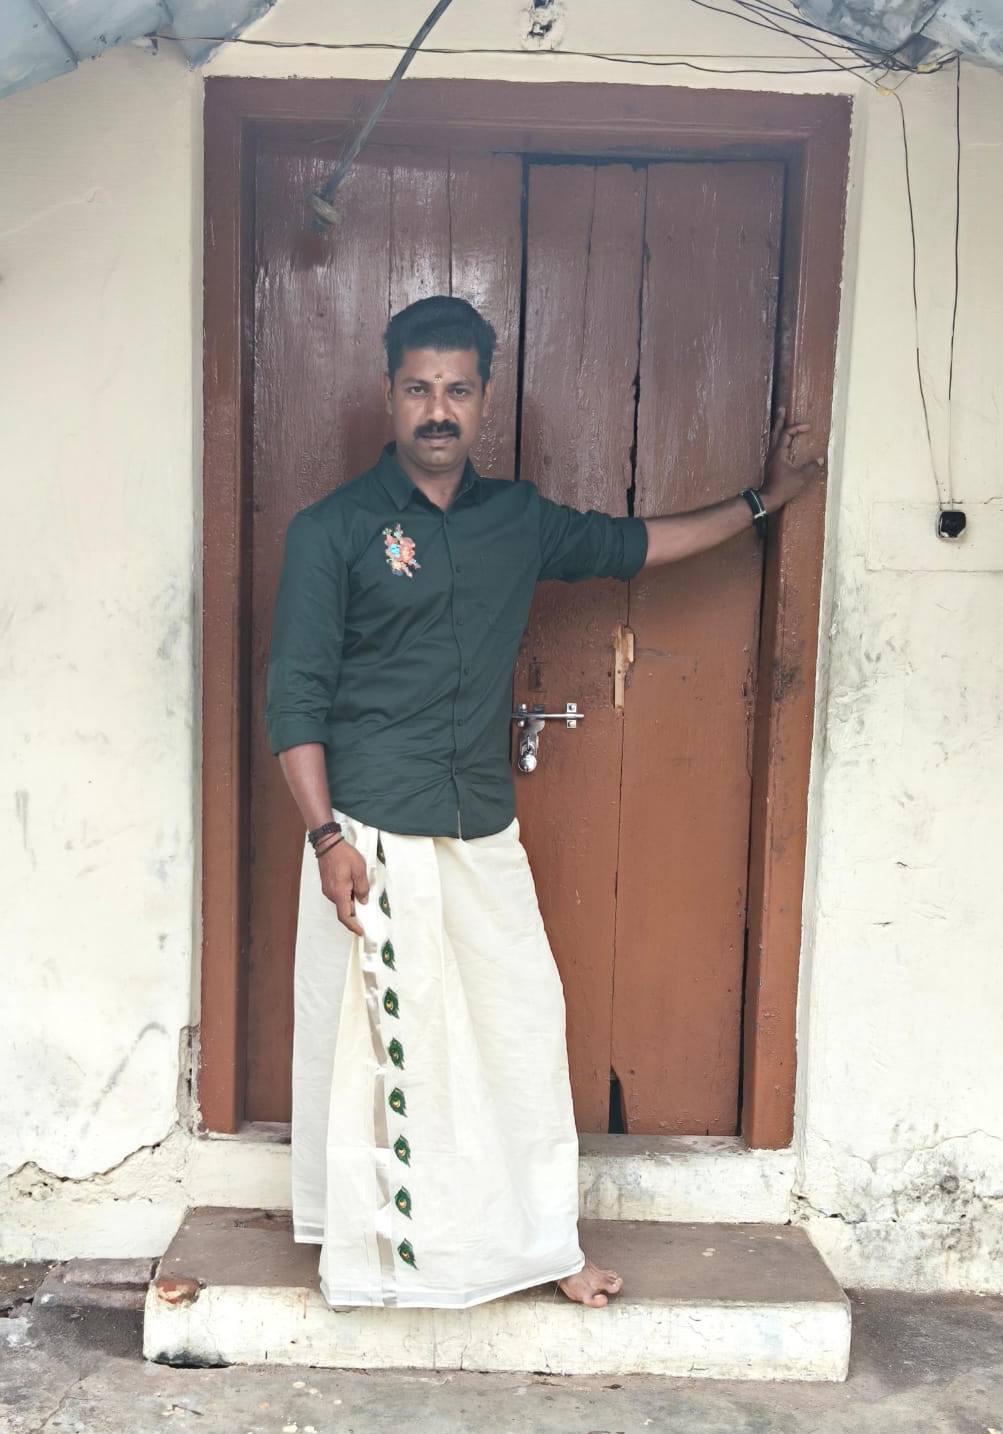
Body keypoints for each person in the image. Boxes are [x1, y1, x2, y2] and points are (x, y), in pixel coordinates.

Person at [266, 295, 822, 1311]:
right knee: (392, 1047)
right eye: (419, 388)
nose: (438, 409)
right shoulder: (332, 531)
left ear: (484, 399)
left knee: (520, 1028)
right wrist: (324, 836)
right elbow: (294, 697)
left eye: (457, 389)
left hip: (481, 822)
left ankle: (540, 1243)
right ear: (389, 395)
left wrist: (764, 502)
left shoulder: (515, 520)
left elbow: (636, 544)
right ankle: (384, 1256)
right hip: (372, 830)